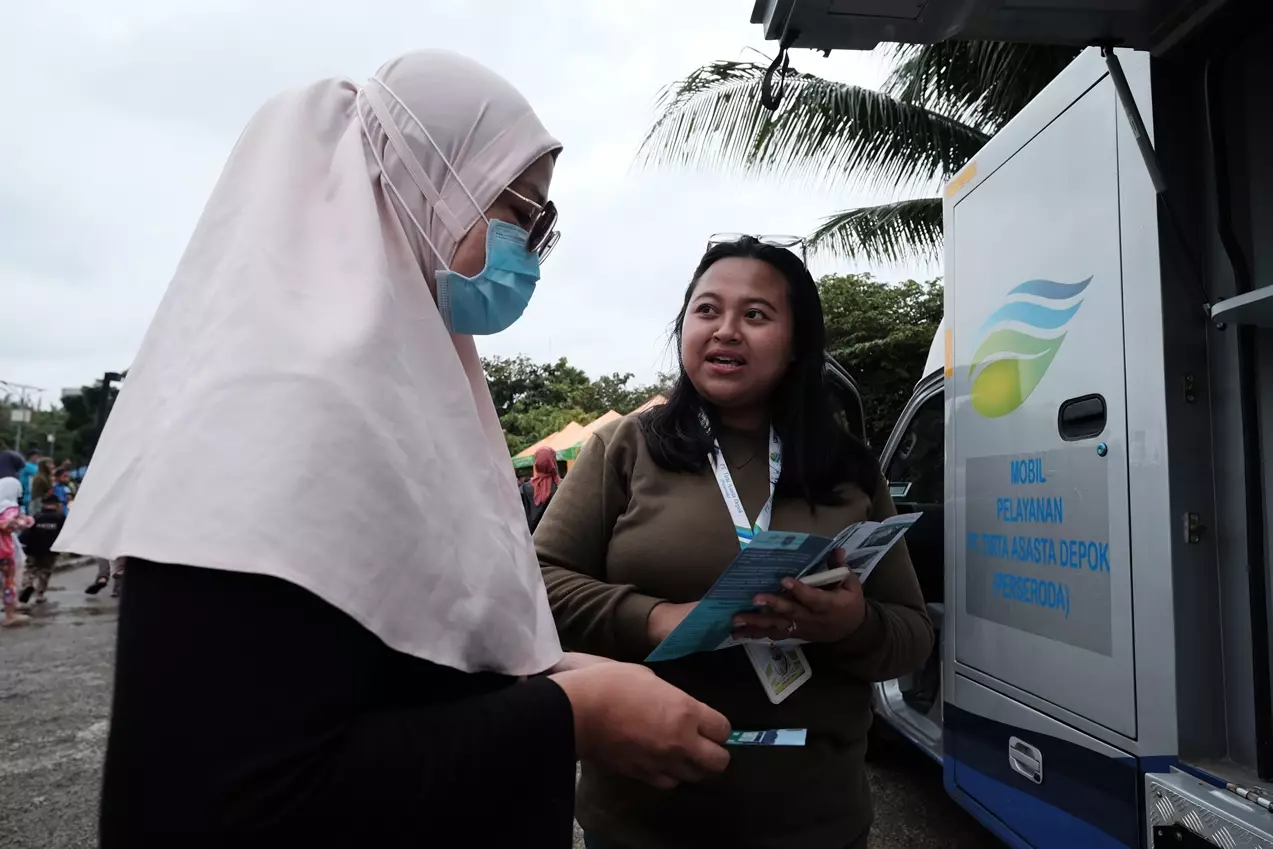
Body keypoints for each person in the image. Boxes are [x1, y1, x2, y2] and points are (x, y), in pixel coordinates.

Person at [53, 50, 730, 849]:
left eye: (541, 226)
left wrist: (537, 681)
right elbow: (215, 804)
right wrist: (569, 715)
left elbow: (378, 674)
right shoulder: (279, 420)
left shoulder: (409, 396)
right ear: (418, 185)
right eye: (520, 212)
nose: (530, 251)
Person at [537, 237, 935, 849]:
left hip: (815, 821)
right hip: (644, 818)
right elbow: (536, 583)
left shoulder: (850, 469)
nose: (725, 331)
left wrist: (851, 624)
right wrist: (656, 618)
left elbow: (911, 636)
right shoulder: (626, 447)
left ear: (798, 340)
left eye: (755, 315)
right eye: (706, 310)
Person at [0, 451, 34, 627]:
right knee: (8, 579)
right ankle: (10, 614)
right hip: (4, 548)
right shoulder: (9, 499)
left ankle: (11, 608)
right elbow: (8, 524)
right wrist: (18, 522)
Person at [19, 493, 64, 605]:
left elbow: (24, 534)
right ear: (56, 504)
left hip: (33, 549)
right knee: (45, 571)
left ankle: (28, 584)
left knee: (30, 569)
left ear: (43, 504)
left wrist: (23, 545)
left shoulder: (35, 516)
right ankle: (40, 594)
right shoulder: (60, 518)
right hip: (50, 550)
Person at [522, 445, 561, 532]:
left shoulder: (525, 489)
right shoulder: (562, 486)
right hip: (557, 537)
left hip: (533, 538)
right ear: (553, 462)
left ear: (536, 462)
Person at [18, 449, 40, 514]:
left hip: (31, 496)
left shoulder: (35, 466)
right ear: (32, 457)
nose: (38, 458)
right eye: (37, 456)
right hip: (28, 495)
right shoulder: (28, 466)